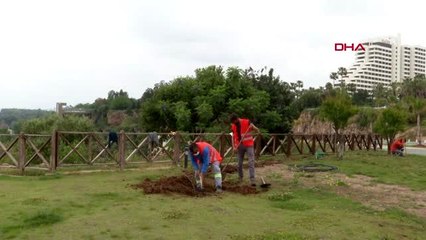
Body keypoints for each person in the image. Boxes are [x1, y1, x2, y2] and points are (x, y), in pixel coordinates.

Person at [230, 114, 260, 186]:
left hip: (249, 145)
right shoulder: (233, 126)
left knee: (251, 162)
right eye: (233, 123)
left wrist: (254, 128)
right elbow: (233, 137)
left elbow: (257, 130)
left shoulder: (246, 122)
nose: (234, 123)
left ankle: (252, 179)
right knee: (239, 163)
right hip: (239, 146)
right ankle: (240, 177)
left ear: (237, 119)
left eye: (234, 122)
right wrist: (234, 147)